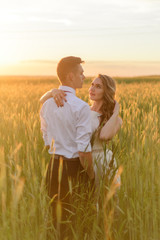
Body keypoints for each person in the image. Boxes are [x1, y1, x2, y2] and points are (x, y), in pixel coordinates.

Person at [40, 74, 122, 197]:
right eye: (92, 85)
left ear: (107, 91)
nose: (92, 89)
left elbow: (104, 136)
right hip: (83, 159)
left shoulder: (115, 119)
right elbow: (42, 101)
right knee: (85, 199)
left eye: (98, 86)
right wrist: (53, 92)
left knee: (103, 200)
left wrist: (116, 112)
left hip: (101, 162)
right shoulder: (83, 109)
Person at [40, 56, 95, 239]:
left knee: (56, 222)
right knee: (77, 221)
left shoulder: (46, 105)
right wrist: (92, 177)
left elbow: (47, 140)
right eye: (81, 73)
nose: (84, 77)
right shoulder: (82, 107)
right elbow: (83, 150)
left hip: (53, 168)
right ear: (71, 76)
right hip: (74, 170)